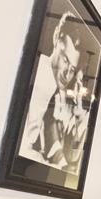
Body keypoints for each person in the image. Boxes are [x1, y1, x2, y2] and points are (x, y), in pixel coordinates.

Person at [21, 12, 89, 173]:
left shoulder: (59, 94)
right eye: (65, 60)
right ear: (56, 38)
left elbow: (72, 154)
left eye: (72, 69)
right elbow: (23, 148)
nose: (67, 75)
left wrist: (80, 119)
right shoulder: (36, 79)